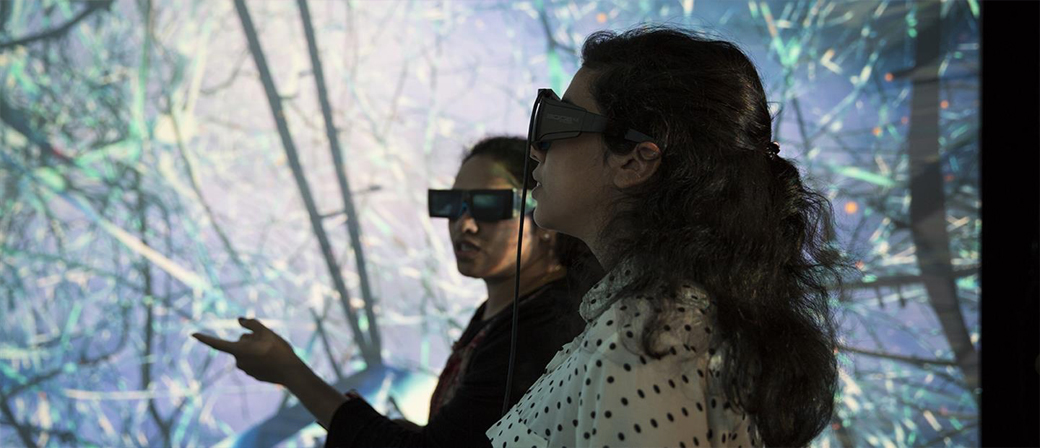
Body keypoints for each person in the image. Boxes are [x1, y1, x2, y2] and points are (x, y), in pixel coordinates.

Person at [487, 26, 847, 448]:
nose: (535, 148)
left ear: (635, 162)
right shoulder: (666, 321)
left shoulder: (651, 340)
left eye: (557, 121)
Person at [193, 136, 601, 447]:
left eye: (487, 205)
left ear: (541, 215)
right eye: (451, 205)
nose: (464, 223)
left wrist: (292, 373)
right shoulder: (507, 310)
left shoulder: (543, 325)